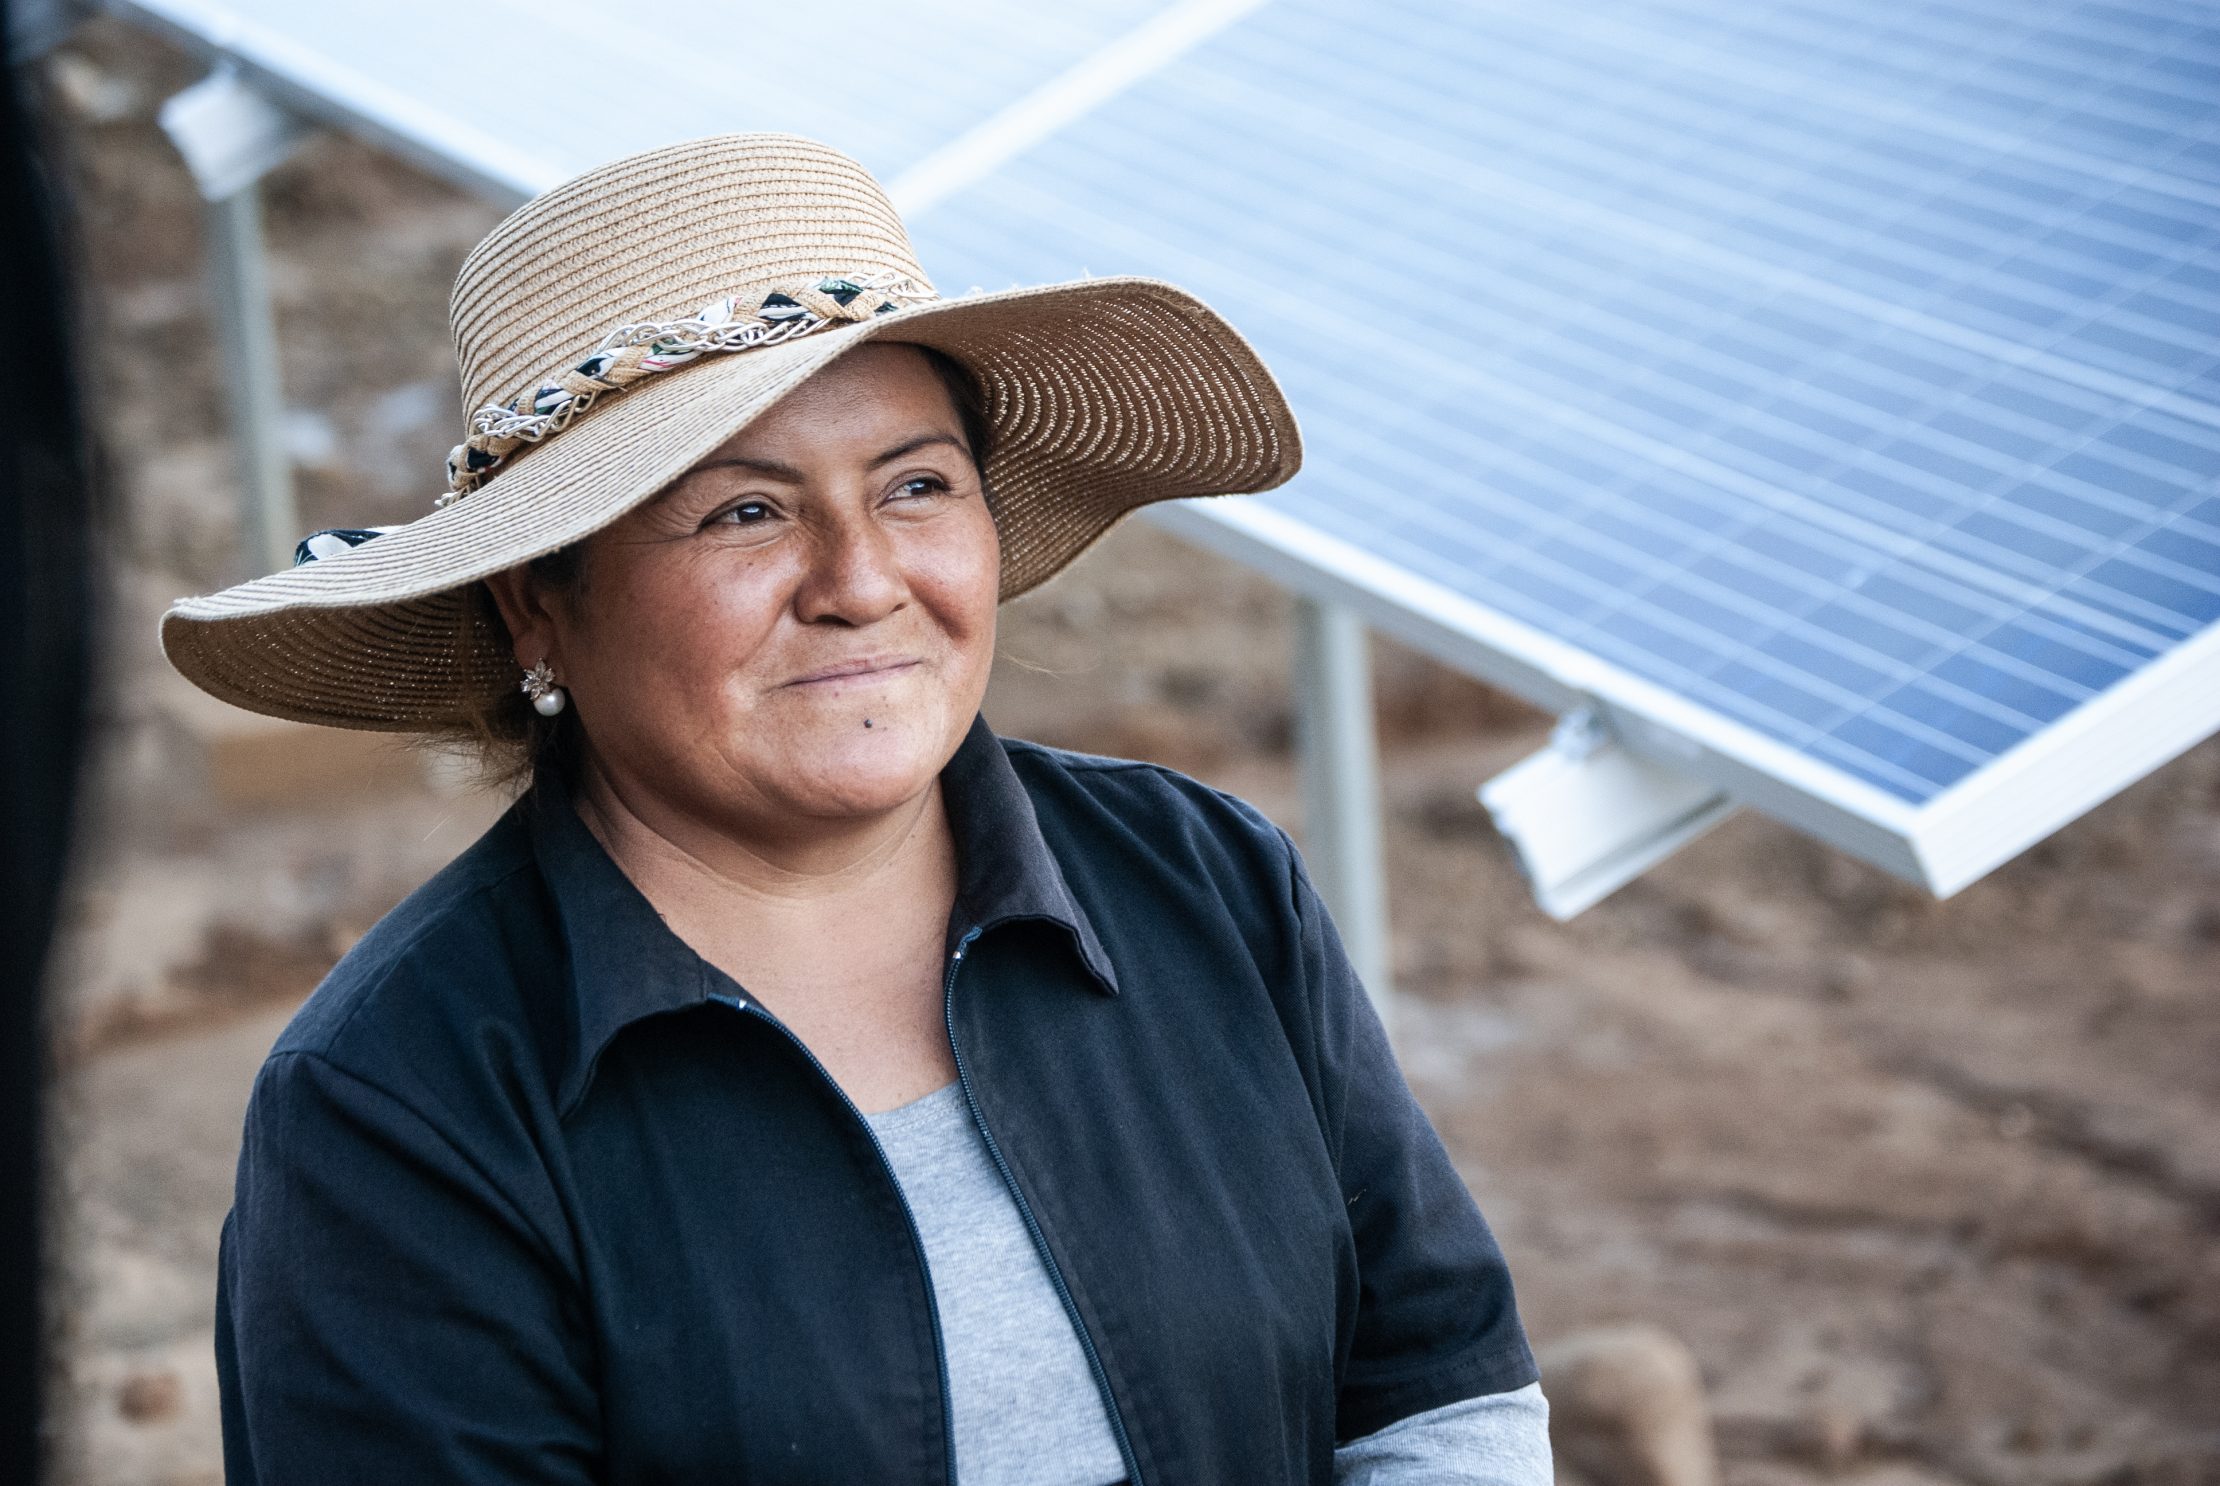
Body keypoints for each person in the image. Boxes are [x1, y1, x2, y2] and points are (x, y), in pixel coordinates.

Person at [165, 133, 1548, 1484]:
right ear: (540, 603)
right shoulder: (399, 1104)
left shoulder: (1204, 877)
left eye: (916, 486)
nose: (861, 578)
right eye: (745, 514)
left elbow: (1439, 1384)